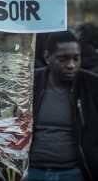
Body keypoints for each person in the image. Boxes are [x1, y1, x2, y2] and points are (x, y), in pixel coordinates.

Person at [28, 30, 98, 181]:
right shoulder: (29, 83)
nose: (71, 65)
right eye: (63, 59)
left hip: (75, 172)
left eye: (76, 59)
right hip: (31, 171)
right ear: (47, 57)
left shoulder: (92, 86)